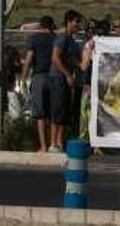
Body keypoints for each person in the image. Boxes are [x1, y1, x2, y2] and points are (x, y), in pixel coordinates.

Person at [49, 10, 84, 152]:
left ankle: (60, 141)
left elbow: (76, 60)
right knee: (57, 110)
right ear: (68, 22)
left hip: (67, 80)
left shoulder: (72, 40)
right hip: (58, 78)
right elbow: (55, 57)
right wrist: (68, 75)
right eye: (76, 21)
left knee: (64, 111)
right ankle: (53, 142)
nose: (78, 25)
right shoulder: (62, 38)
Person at [22, 16, 56, 153]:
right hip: (55, 76)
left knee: (40, 114)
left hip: (40, 76)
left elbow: (29, 59)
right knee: (53, 113)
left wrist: (24, 78)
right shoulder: (56, 39)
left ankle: (43, 146)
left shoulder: (35, 39)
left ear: (41, 26)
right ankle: (53, 143)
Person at [79, 20, 109, 141]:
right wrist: (90, 50)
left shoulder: (107, 45)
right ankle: (85, 141)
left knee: (100, 118)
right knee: (86, 116)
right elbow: (84, 66)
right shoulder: (88, 45)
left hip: (102, 87)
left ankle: (99, 145)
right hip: (89, 87)